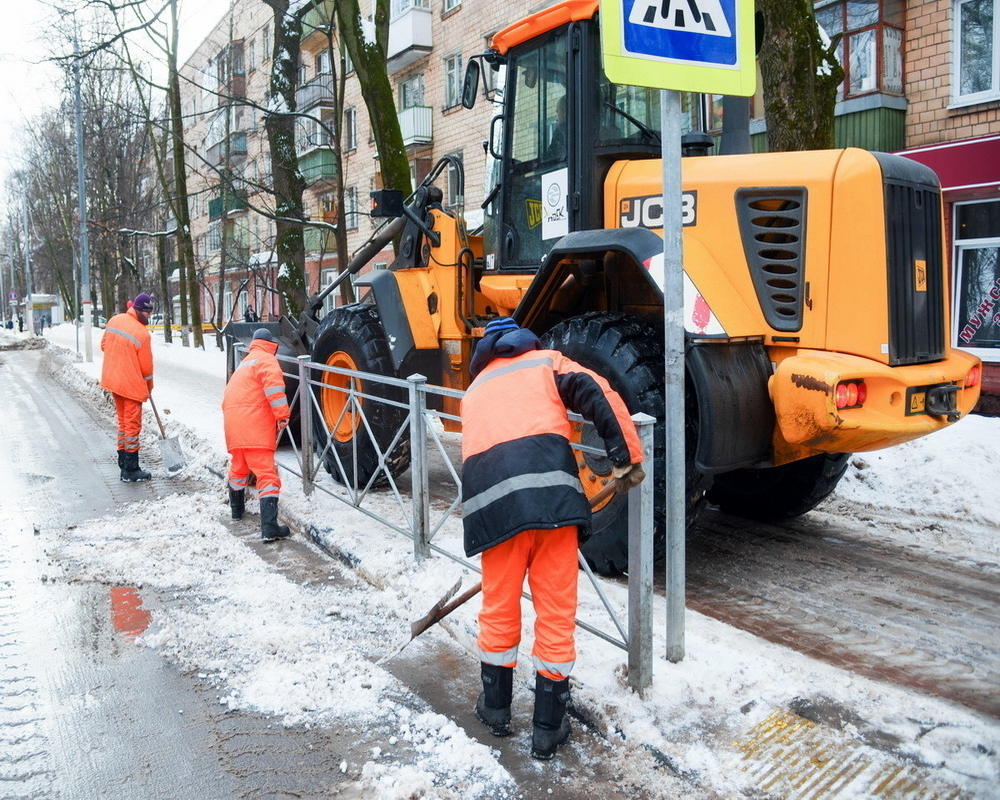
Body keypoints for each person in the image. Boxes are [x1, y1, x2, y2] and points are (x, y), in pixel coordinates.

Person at [460, 317, 645, 760]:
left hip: (495, 515)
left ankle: (495, 709)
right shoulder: (546, 363)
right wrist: (625, 456)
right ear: (525, 341)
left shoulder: (473, 392)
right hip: (553, 508)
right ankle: (547, 727)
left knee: (499, 608)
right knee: (556, 614)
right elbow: (597, 391)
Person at [221, 328, 291, 542]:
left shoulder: (245, 363)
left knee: (239, 469)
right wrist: (282, 415)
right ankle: (269, 527)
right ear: (271, 344)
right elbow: (275, 390)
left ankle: (236, 510)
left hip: (234, 425)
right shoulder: (266, 360)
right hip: (255, 425)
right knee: (267, 475)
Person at [101, 292, 156, 481]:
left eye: (151, 312)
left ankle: (123, 462)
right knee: (132, 426)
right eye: (147, 312)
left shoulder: (114, 320)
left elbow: (104, 345)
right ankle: (131, 470)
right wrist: (148, 388)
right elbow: (147, 369)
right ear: (138, 309)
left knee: (124, 423)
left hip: (114, 382)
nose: (149, 316)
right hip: (131, 386)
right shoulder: (142, 334)